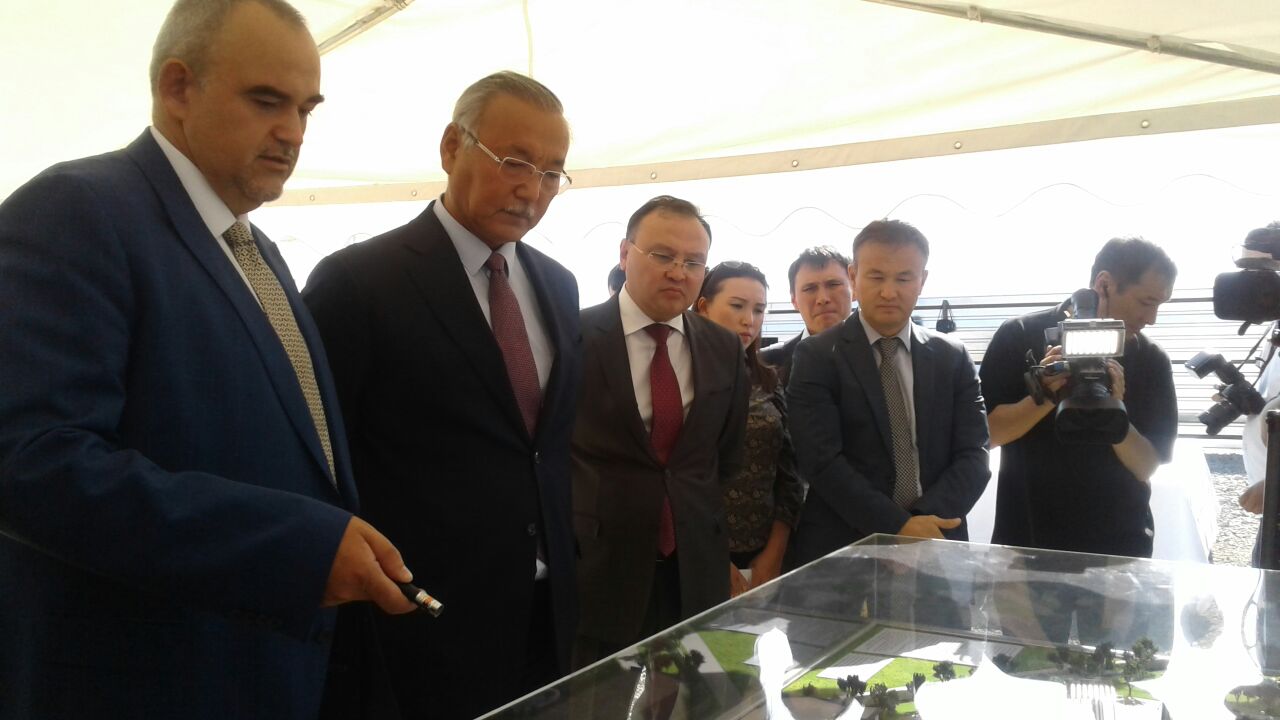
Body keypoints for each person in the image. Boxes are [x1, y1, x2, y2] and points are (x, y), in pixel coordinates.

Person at [0, 1, 416, 718]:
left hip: (260, 673)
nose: (293, 132)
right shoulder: (75, 211)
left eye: (306, 109)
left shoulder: (256, 249)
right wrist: (292, 547)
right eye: (266, 101)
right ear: (177, 88)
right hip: (143, 682)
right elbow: (32, 461)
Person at [302, 71, 581, 719]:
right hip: (419, 622)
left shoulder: (559, 285)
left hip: (546, 614)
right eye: (515, 162)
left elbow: (545, 449)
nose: (531, 189)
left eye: (551, 173)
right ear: (453, 147)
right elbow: (319, 458)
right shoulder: (359, 282)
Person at [572, 195, 749, 666]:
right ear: (625, 253)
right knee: (601, 694)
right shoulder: (573, 336)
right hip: (600, 562)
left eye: (693, 262)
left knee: (695, 691)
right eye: (663, 255)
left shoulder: (723, 347)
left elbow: (726, 455)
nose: (678, 272)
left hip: (695, 563)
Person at [788, 219, 990, 565]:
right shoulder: (817, 356)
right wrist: (897, 526)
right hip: (846, 546)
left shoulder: (953, 357)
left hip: (938, 540)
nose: (889, 292)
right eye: (877, 277)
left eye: (904, 278)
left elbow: (975, 452)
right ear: (854, 277)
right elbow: (821, 461)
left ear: (922, 280)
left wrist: (922, 524)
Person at [982, 237, 1178, 557]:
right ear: (1104, 284)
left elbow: (1146, 466)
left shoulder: (1152, 359)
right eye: (1146, 302)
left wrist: (1114, 410)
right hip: (1025, 541)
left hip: (1120, 548)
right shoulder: (1020, 335)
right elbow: (986, 435)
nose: (1152, 318)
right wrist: (1047, 394)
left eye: (1160, 305)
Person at [694, 261, 804, 595]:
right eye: (737, 306)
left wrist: (775, 551)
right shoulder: (682, 377)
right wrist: (714, 558)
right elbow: (680, 480)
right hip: (695, 548)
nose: (749, 320)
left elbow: (789, 472)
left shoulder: (767, 378)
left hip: (765, 548)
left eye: (758, 309)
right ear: (703, 307)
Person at [760, 246, 853, 386]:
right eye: (810, 288)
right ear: (794, 300)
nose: (823, 298)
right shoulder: (766, 363)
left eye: (833, 284)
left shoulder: (880, 352)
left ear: (854, 288)